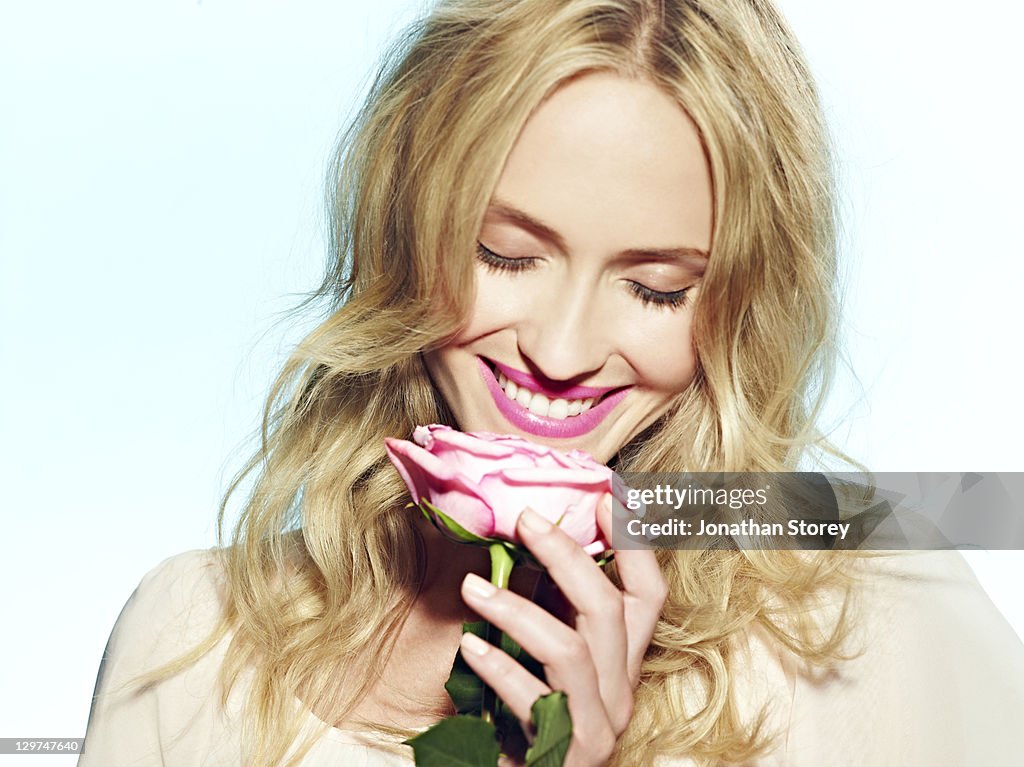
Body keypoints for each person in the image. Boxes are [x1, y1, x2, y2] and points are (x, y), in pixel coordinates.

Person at [79, 0, 1024, 765]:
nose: (565, 352)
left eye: (658, 289)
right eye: (507, 253)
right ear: (407, 232)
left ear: (737, 304)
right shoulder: (194, 646)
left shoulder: (879, 603)